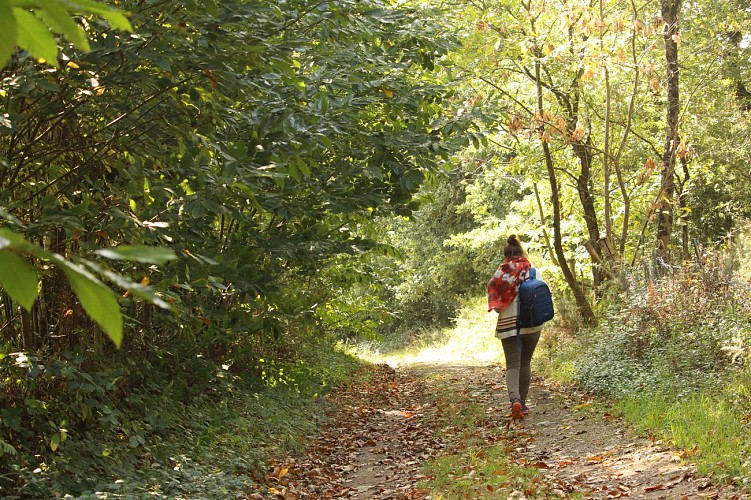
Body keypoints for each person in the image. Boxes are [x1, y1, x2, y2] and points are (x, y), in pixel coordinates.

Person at [487, 235, 543, 421]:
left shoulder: (500, 275)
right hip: (533, 325)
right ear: (522, 253)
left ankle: (514, 401)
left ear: (506, 256)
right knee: (525, 363)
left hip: (508, 326)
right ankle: (524, 404)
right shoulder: (534, 271)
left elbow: (495, 307)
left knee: (513, 364)